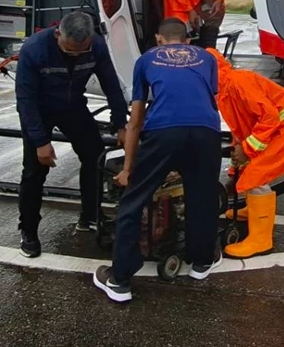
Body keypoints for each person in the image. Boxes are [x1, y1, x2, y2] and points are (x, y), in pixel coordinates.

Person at [93, 18, 223, 303]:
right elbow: (206, 98)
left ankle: (120, 280)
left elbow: (137, 119)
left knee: (134, 199)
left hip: (163, 130)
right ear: (188, 40)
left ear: (158, 39)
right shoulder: (207, 57)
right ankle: (201, 262)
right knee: (202, 195)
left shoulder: (146, 59)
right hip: (206, 131)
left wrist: (128, 169)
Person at [15, 10, 129, 258]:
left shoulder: (96, 45)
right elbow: (25, 100)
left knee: (94, 156)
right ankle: (28, 230)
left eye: (81, 51)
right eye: (69, 51)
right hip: (39, 109)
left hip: (73, 105)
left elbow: (111, 83)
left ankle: (89, 215)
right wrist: (40, 142)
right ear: (58, 34)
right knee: (35, 170)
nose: (75, 55)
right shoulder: (34, 50)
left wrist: (120, 123)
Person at [204, 47, 284, 259]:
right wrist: (236, 167)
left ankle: (261, 240)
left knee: (257, 174)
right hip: (281, 128)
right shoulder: (224, 89)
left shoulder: (238, 83)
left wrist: (247, 150)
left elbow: (270, 118)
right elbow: (242, 128)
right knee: (251, 169)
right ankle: (255, 212)